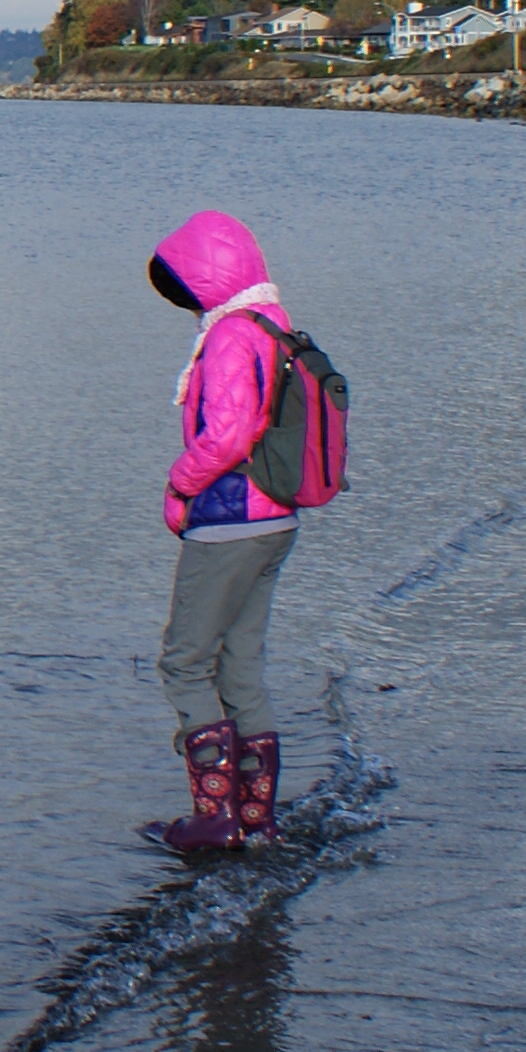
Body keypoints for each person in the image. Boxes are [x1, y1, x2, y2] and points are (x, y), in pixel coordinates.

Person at [146, 209, 303, 852]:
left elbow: (229, 435)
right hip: (276, 517)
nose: (182, 299)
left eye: (182, 284)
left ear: (206, 277)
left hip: (231, 520)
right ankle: (256, 821)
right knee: (241, 668)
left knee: (183, 663)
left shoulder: (231, 335)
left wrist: (181, 483)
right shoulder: (273, 325)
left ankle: (216, 820)